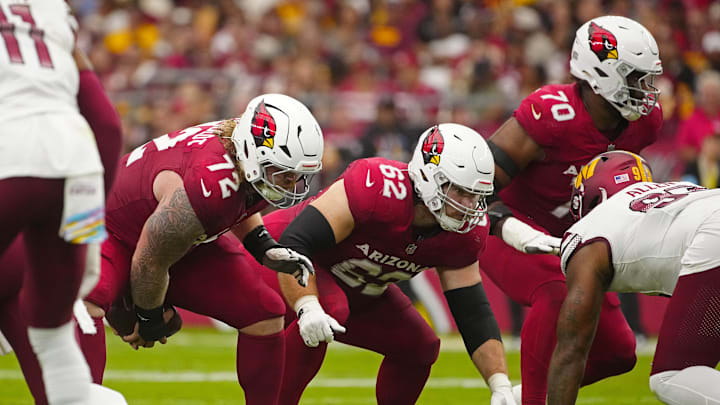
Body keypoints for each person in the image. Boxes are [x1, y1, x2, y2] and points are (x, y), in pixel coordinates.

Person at [69, 93, 321, 405]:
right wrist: (149, 319)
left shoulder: (244, 152)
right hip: (113, 230)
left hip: (174, 239)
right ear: (254, 153)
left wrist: (262, 244)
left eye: (296, 174)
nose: (291, 181)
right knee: (86, 301)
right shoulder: (209, 182)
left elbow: (240, 200)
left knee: (266, 312)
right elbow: (151, 259)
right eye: (284, 172)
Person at [251, 123, 517, 405]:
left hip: (356, 285)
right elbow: (295, 242)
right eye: (460, 192)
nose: (468, 204)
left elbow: (473, 312)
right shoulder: (377, 186)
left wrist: (499, 384)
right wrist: (308, 306)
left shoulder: (466, 232)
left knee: (419, 347)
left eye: (475, 196)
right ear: (428, 176)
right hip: (281, 258)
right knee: (330, 309)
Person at [478, 15, 664, 404]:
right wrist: (507, 226)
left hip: (574, 242)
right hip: (511, 231)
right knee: (555, 292)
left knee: (619, 354)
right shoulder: (551, 114)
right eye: (635, 78)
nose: (646, 91)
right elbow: (476, 188)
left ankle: (526, 396)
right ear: (600, 73)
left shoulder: (644, 123)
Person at [0, 1, 126, 403]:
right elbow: (106, 125)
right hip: (79, 167)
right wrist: (90, 224)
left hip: (10, 156)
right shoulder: (49, 8)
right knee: (53, 339)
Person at [548, 150, 720, 405]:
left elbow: (571, 349)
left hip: (713, 233)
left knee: (674, 375)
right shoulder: (677, 189)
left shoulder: (588, 232)